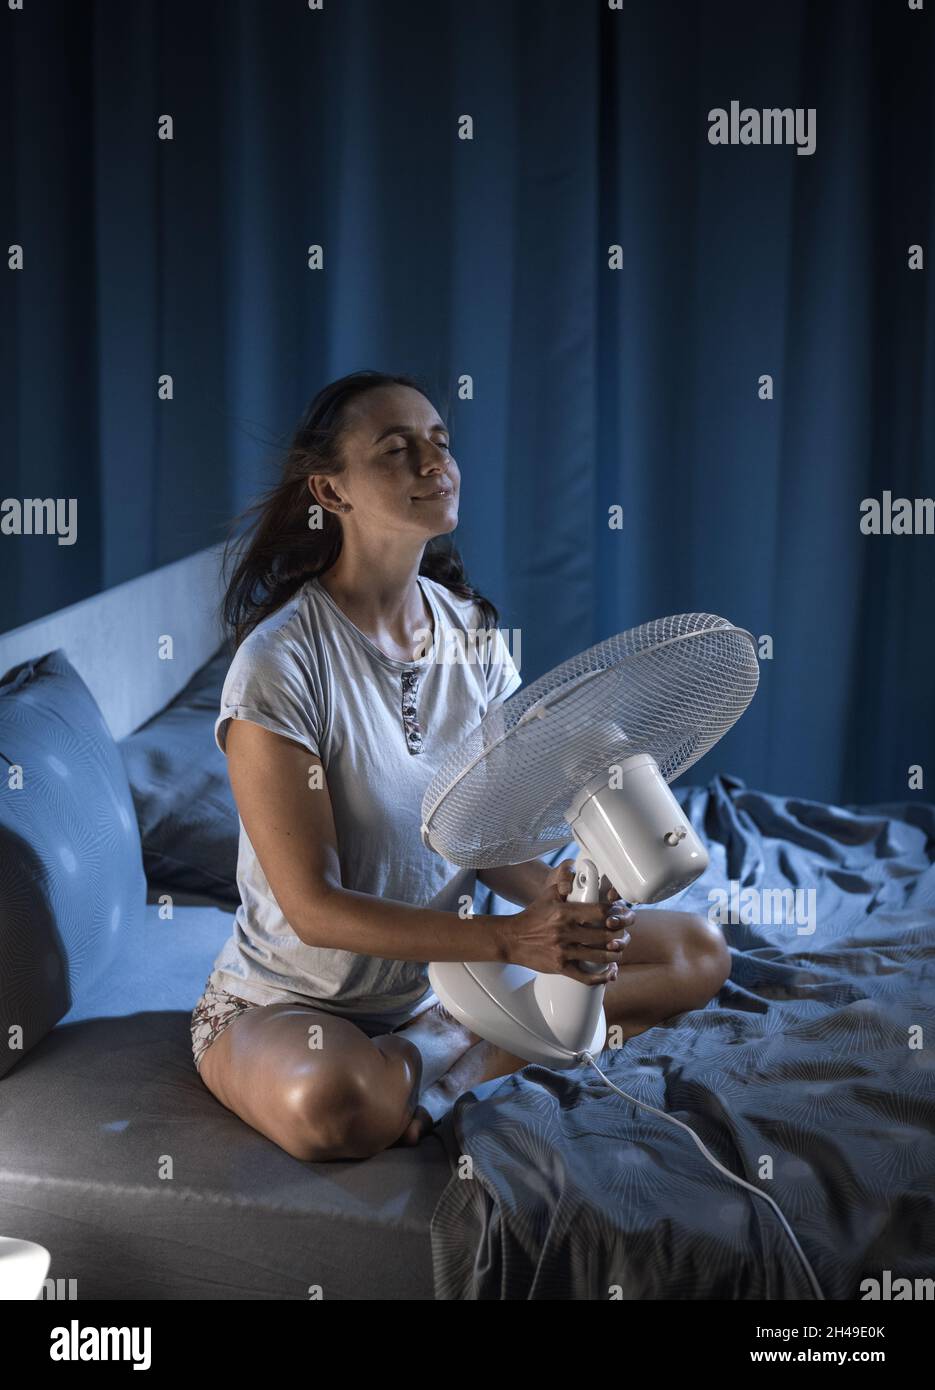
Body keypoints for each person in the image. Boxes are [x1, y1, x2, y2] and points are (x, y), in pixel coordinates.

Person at [191, 369, 731, 1161]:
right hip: (294, 1002)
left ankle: (446, 1046)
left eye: (441, 444)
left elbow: (496, 828)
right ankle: (460, 1053)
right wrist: (513, 943)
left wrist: (552, 898)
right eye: (396, 450)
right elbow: (313, 909)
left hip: (450, 974)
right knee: (333, 1111)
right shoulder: (279, 662)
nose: (432, 464)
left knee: (697, 953)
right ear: (330, 491)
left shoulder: (470, 629)